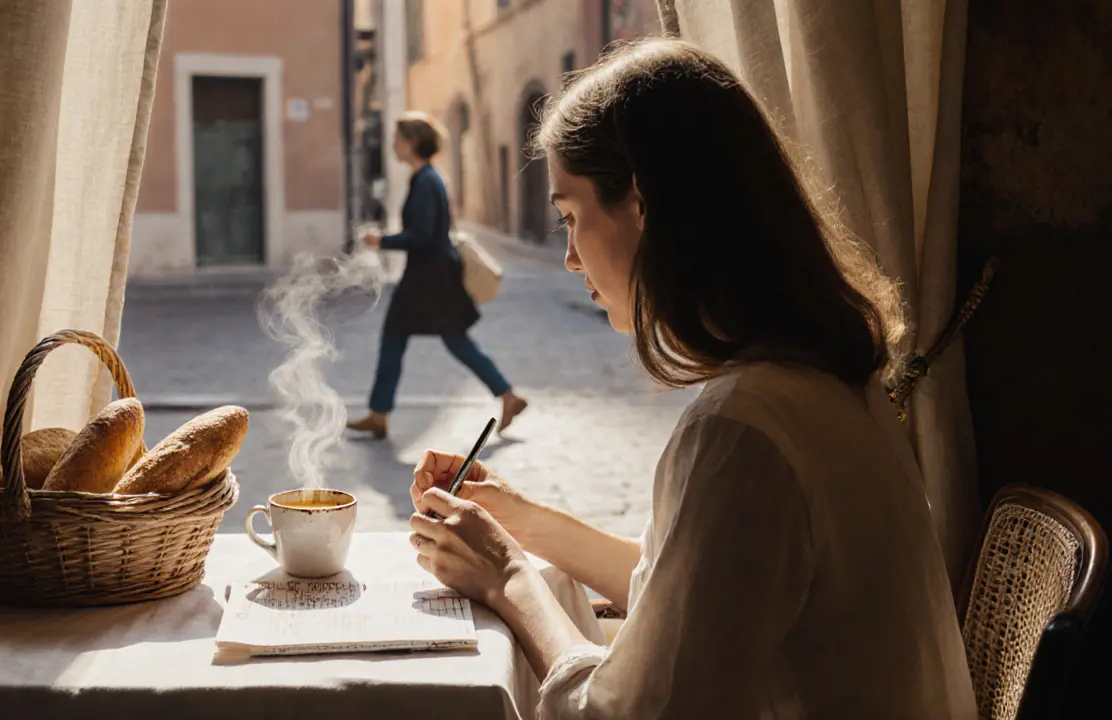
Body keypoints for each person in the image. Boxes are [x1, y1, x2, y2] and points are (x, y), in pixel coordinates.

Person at [405, 41, 977, 719]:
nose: (566, 257)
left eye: (570, 216)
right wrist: (523, 522)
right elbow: (691, 593)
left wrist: (508, 577)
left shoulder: (741, 431)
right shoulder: (824, 381)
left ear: (641, 205)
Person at [349, 111, 528, 439]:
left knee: (408, 338)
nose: (393, 145)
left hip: (429, 280)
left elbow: (424, 236)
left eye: (398, 139)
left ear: (412, 142)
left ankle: (379, 413)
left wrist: (382, 240)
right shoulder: (426, 178)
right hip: (432, 277)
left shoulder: (427, 181)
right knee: (446, 340)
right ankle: (507, 396)